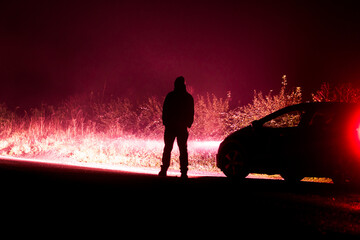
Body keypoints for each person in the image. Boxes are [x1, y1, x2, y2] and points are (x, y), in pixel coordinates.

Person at [159, 76, 194, 178]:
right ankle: (183, 172)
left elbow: (165, 110)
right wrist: (188, 123)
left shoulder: (170, 96)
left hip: (170, 126)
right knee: (183, 150)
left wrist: (165, 122)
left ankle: (164, 169)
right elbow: (191, 112)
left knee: (167, 149)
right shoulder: (188, 97)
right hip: (182, 127)